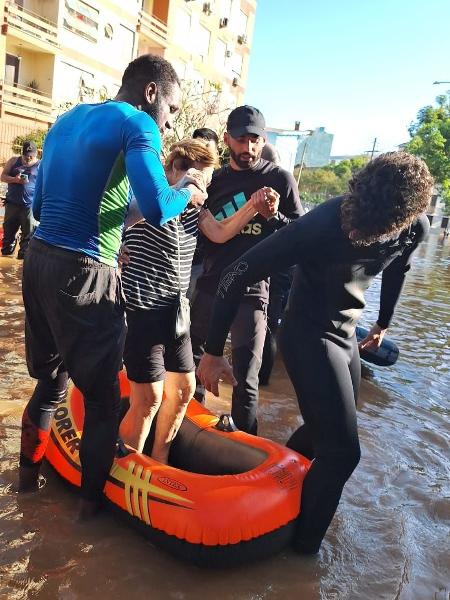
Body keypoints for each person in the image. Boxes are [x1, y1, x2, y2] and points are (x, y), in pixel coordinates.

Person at [197, 151, 433, 554]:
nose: (356, 232)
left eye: (368, 229)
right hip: (307, 335)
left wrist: (383, 324)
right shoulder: (325, 222)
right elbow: (237, 273)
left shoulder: (414, 228)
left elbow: (398, 271)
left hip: (346, 335)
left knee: (329, 431)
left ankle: (279, 485)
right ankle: (300, 558)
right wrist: (213, 351)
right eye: (354, 224)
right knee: (343, 454)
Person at [19, 54, 207, 520]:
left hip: (38, 261)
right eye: (173, 109)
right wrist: (188, 185)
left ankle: (25, 485)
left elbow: (43, 204)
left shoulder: (65, 122)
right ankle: (89, 521)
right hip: (85, 272)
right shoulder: (137, 125)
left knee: (51, 382)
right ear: (151, 93)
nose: (169, 124)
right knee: (104, 402)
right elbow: (162, 207)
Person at [119, 139, 279, 460]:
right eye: (199, 180)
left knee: (182, 391)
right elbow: (119, 220)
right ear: (174, 169)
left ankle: (159, 461)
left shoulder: (195, 208)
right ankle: (125, 461)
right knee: (149, 398)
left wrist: (251, 207)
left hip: (177, 313)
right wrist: (179, 189)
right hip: (141, 310)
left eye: (206, 182)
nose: (202, 189)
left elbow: (219, 232)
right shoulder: (146, 197)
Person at [191, 105, 303, 434]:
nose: (248, 148)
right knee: (195, 367)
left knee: (247, 381)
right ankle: (189, 437)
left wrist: (273, 217)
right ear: (226, 139)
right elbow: (197, 234)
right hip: (211, 287)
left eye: (254, 140)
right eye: (240, 140)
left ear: (263, 140)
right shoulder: (215, 180)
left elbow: (299, 235)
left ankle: (243, 450)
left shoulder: (279, 179)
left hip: (253, 293)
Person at [1, 141, 40, 259]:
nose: (28, 158)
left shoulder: (41, 165)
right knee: (7, 235)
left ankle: (22, 262)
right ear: (22, 153)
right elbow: (2, 176)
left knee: (28, 238)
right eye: (26, 155)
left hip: (29, 206)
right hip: (12, 204)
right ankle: (7, 254)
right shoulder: (13, 161)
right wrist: (15, 179)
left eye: (30, 156)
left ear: (35, 154)